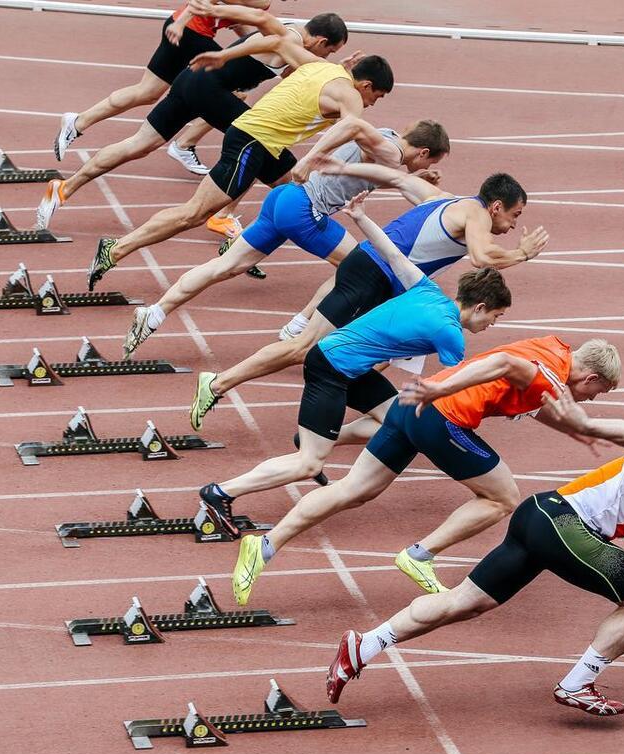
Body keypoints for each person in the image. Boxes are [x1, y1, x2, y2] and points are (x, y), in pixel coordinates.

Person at [324, 398, 624, 715]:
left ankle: (365, 645)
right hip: (567, 526)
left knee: (466, 601)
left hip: (539, 512)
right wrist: (585, 425)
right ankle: (578, 683)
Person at [200, 192, 510, 604]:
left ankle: (319, 435)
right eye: (496, 317)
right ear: (481, 306)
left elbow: (392, 253)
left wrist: (361, 216)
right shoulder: (450, 333)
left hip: (352, 366)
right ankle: (222, 491)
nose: (493, 325)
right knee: (310, 463)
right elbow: (459, 384)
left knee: (397, 419)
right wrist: (510, 402)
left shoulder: (429, 290)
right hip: (331, 366)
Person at [231, 337, 622, 605]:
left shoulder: (553, 351)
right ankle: (420, 555)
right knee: (502, 497)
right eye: (598, 392)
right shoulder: (549, 375)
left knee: (354, 489)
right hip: (442, 416)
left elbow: (536, 403)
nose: (591, 399)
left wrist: (578, 430)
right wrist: (441, 391)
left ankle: (264, 546)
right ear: (591, 378)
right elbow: (501, 364)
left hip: (409, 408)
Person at [189, 167, 549, 431]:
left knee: (385, 353)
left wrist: (342, 167)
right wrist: (522, 254)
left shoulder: (445, 198)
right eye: (515, 216)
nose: (512, 226)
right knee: (304, 348)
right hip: (372, 273)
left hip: (386, 281)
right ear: (496, 206)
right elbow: (482, 257)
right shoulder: (475, 213)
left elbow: (396, 178)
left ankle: (366, 419)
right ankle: (218, 383)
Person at [85, 14, 396, 292]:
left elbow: (275, 42)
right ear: (366, 85)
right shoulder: (350, 97)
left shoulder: (321, 67)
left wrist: (224, 55)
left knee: (296, 194)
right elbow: (350, 126)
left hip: (263, 141)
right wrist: (311, 158)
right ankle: (116, 248)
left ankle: (240, 245)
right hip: (251, 141)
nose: (372, 103)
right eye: (377, 97)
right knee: (194, 214)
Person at [119, 120, 451, 361]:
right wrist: (310, 157)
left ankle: (155, 313)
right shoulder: (392, 153)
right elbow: (350, 124)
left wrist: (417, 176)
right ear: (423, 151)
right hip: (305, 209)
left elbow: (371, 174)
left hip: (283, 198)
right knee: (359, 266)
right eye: (430, 162)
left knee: (225, 266)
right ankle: (300, 325)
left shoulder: (387, 138)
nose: (426, 166)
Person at [36, 9, 350, 233]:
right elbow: (262, 20)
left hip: (191, 79)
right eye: (331, 51)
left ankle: (63, 188)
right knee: (261, 145)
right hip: (209, 89)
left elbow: (288, 67)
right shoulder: (289, 38)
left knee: (140, 143)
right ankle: (224, 214)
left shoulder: (292, 32)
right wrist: (215, 11)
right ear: (321, 41)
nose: (328, 57)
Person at [50, 0, 272, 164]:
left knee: (147, 91)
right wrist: (181, 24)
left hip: (182, 28)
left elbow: (239, 24)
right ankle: (184, 144)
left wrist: (250, 46)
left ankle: (77, 122)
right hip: (188, 32)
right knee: (233, 91)